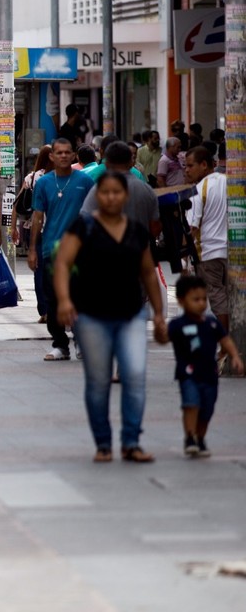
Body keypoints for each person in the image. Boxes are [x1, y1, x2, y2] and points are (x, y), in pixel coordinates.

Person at [53, 171, 166, 463]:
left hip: (131, 314)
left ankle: (131, 441)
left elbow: (148, 274)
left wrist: (160, 316)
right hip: (91, 316)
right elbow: (63, 263)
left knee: (135, 376)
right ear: (97, 196)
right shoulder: (83, 227)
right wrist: (65, 300)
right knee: (99, 380)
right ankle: (103, 443)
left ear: (125, 196)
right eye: (105, 193)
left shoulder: (137, 232)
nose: (111, 197)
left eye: (117, 192)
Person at [28, 138, 94, 361]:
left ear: (74, 155)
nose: (64, 156)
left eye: (68, 152)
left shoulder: (85, 182)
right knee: (53, 299)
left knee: (80, 297)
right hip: (50, 249)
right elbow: (37, 216)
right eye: (59, 153)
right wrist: (32, 249)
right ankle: (60, 344)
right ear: (52, 156)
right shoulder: (43, 183)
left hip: (80, 250)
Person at [166, 275, 245, 458]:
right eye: (196, 299)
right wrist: (160, 331)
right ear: (181, 301)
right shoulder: (177, 325)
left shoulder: (211, 323)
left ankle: (200, 438)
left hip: (210, 376)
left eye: (204, 299)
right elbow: (164, 338)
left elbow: (225, 340)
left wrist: (234, 355)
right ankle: (190, 438)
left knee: (207, 409)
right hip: (188, 375)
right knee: (191, 404)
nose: (201, 303)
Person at [185, 146, 230, 336]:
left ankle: (224, 344)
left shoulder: (198, 190)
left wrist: (185, 259)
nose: (187, 170)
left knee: (214, 297)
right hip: (229, 251)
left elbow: (192, 228)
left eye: (190, 165)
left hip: (208, 252)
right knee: (223, 295)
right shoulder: (228, 181)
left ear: (204, 165)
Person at [12, 145, 52, 324]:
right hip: (48, 229)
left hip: (37, 230)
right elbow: (18, 203)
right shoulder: (47, 177)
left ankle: (44, 309)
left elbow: (16, 204)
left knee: (40, 270)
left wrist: (14, 228)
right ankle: (48, 308)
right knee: (47, 270)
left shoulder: (32, 177)